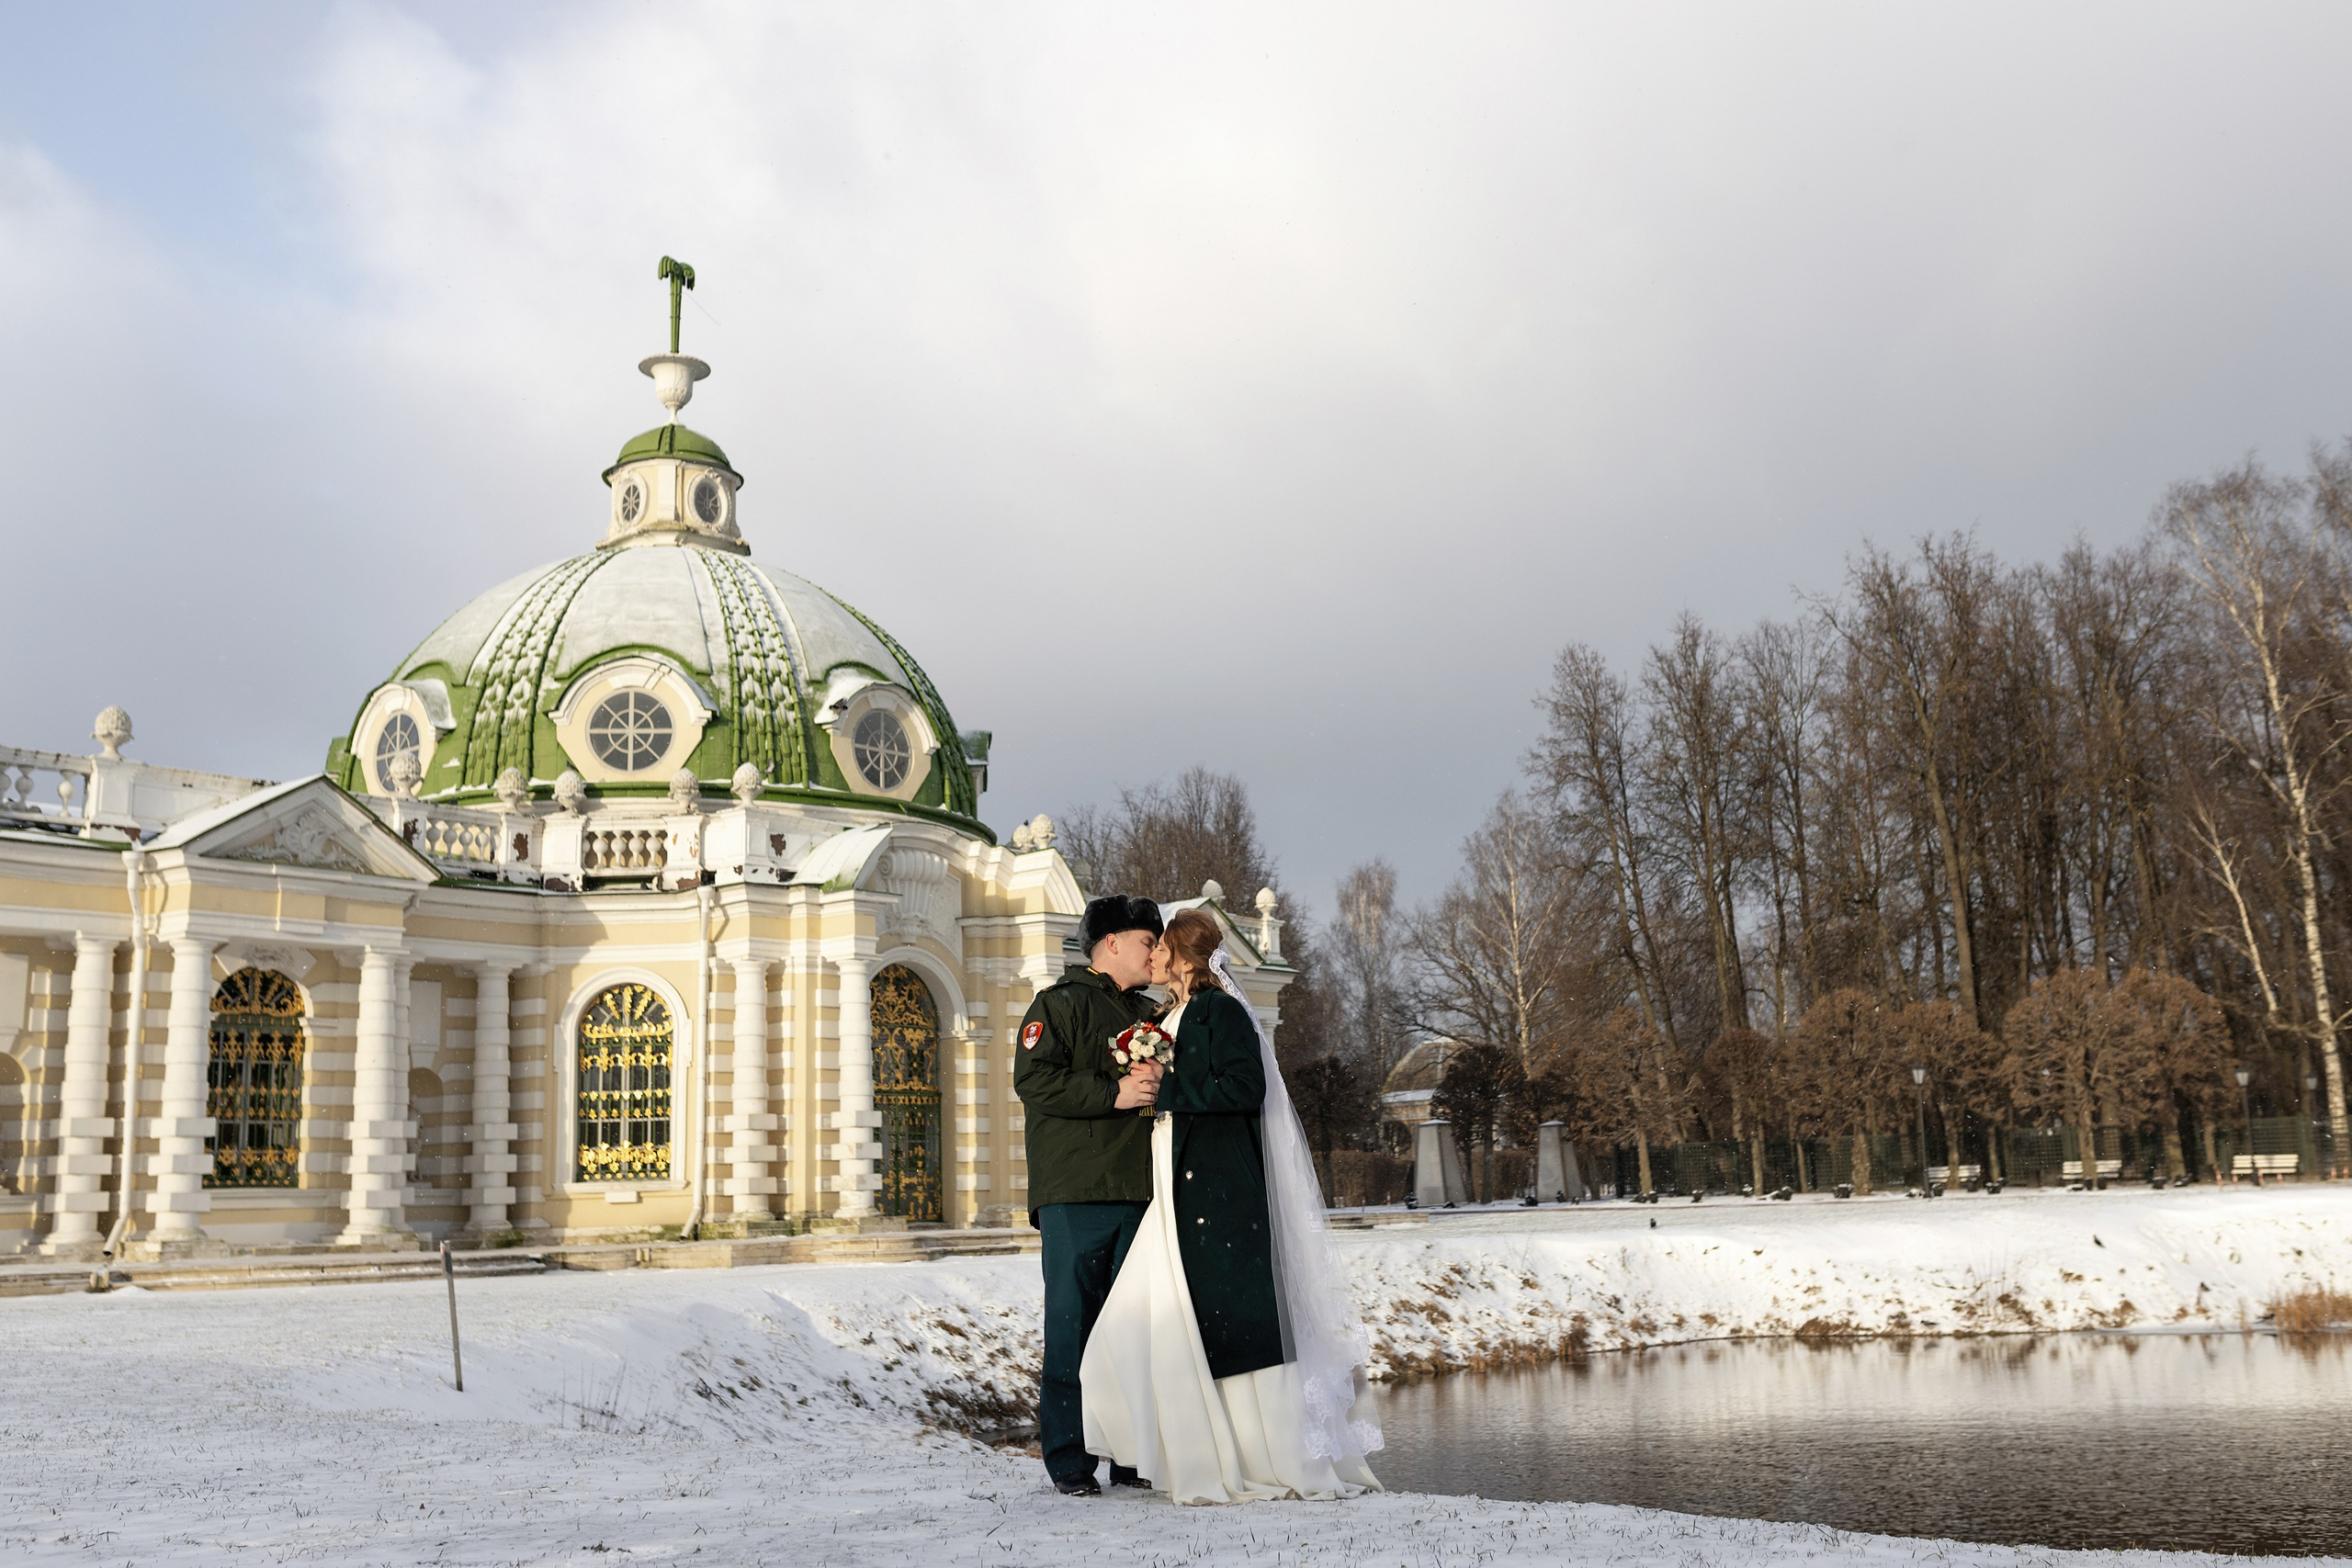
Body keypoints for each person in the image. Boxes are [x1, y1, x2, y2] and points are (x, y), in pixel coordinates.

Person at [1080, 906, 1382, 1504]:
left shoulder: (1221, 1011)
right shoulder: (1167, 1015)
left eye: (1160, 947)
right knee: (1133, 1327)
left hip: (1213, 1194)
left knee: (1215, 1325)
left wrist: (1168, 1086)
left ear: (1183, 956)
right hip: (1175, 1190)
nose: (1151, 956)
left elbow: (1246, 1086)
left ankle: (1244, 1456)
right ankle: (1178, 1450)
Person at [1013, 893, 1168, 1496]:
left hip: (1141, 1193)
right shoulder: (1059, 1004)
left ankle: (1131, 1454)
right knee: (1073, 1327)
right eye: (1147, 941)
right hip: (1076, 1193)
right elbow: (1034, 1079)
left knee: (1135, 1330)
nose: (1155, 952)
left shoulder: (1153, 1013)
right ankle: (1071, 1461)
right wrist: (1114, 1093)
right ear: (1111, 943)